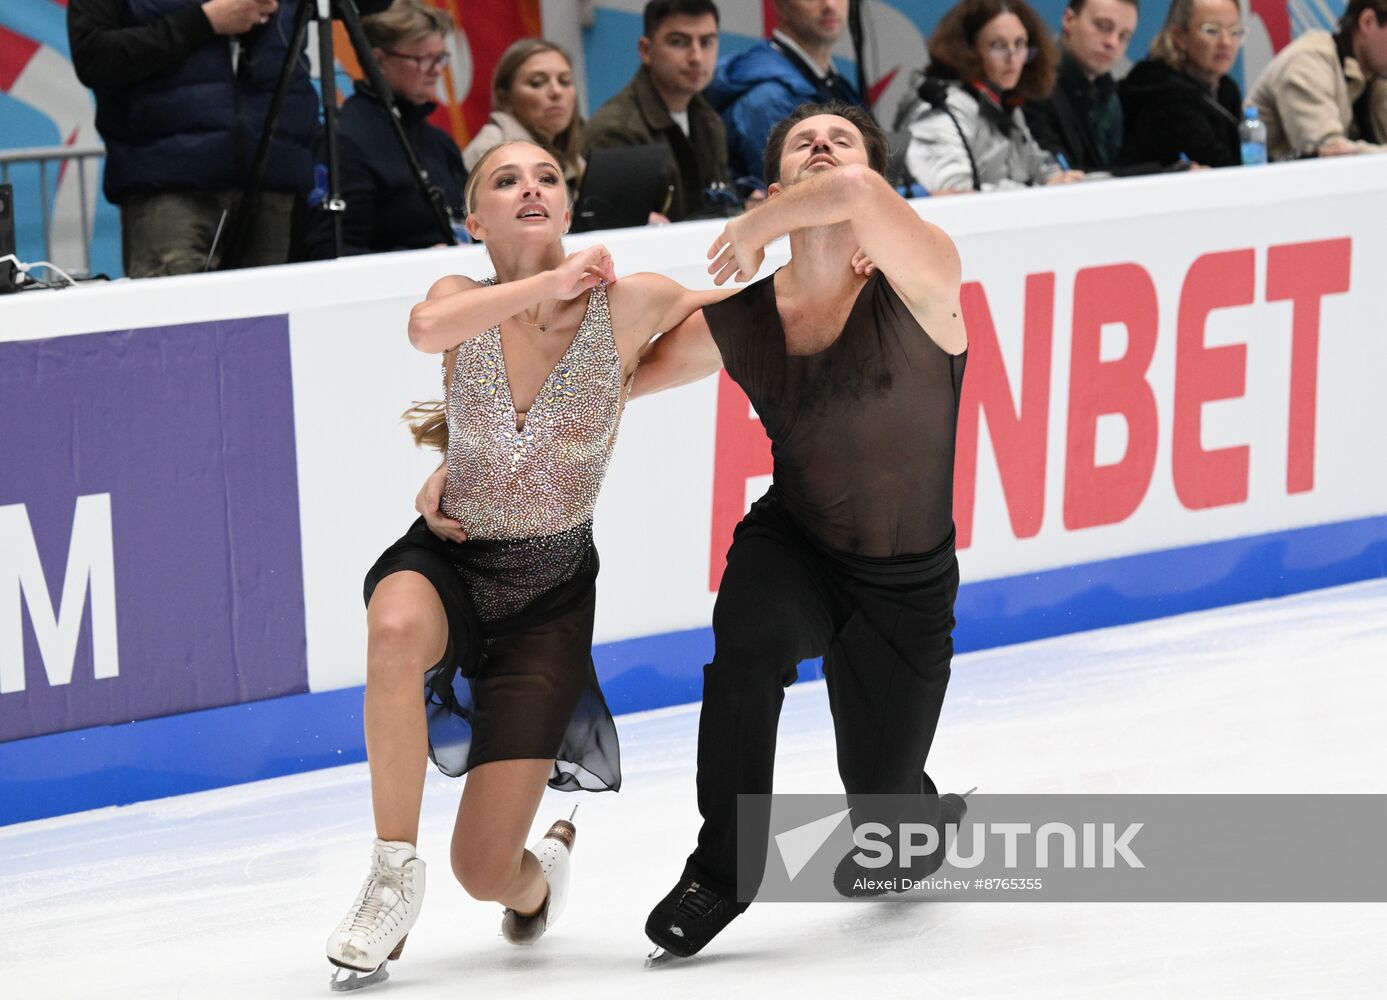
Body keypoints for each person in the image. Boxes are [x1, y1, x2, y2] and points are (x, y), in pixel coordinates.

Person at [323, 139, 732, 989]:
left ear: (569, 206)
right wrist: (550, 283)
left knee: (484, 872)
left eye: (546, 175)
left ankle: (542, 871)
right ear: (476, 219)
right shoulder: (457, 298)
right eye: (505, 180)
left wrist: (851, 262)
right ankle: (391, 875)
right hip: (449, 556)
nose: (530, 187)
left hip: (546, 593)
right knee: (393, 628)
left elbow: (747, 313)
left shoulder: (630, 302)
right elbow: (425, 330)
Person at [626, 101, 971, 962]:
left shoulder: (923, 274)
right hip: (797, 544)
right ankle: (724, 869)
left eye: (839, 138)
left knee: (885, 818)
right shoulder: (738, 317)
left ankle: (912, 820)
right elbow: (611, 391)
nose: (822, 149)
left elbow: (850, 190)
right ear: (774, 179)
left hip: (907, 581)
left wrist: (756, 223)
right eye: (801, 142)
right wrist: (473, 445)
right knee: (744, 654)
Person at [67, 0, 317, 277]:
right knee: (175, 314)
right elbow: (93, 56)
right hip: (170, 181)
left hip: (274, 174)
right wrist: (204, 22)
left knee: (272, 315)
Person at [304, 0, 467, 258]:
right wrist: (416, 258)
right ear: (377, 60)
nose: (437, 70)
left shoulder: (440, 142)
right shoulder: (346, 141)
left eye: (441, 58)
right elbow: (329, 250)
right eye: (425, 59)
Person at [899, 0, 1083, 191]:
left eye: (1020, 43)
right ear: (968, 50)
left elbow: (1036, 162)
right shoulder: (940, 107)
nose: (1013, 57)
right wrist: (1037, 191)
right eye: (998, 45)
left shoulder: (1004, 103)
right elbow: (953, 191)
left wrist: (1060, 179)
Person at [585, 0, 732, 223]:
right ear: (646, 50)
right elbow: (614, 238)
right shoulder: (615, 130)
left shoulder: (709, 120)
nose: (696, 57)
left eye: (706, 42)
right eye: (678, 42)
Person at [705, 0, 865, 186]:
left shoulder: (831, 82)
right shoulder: (768, 98)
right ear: (781, 6)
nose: (829, 5)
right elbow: (792, 191)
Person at [1246, 0, 1387, 160]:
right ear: (1367, 22)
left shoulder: (1377, 73)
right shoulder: (1306, 62)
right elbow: (1329, 153)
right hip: (1274, 182)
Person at [1118, 0, 1244, 168]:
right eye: (1211, 30)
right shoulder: (1164, 95)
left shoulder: (1226, 89)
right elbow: (1223, 168)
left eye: (1235, 31)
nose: (1226, 42)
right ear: (1180, 36)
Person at [1023, 0, 1140, 173]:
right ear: (1069, 19)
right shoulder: (1034, 84)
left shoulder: (1110, 94)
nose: (1113, 43)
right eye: (1103, 26)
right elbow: (1060, 176)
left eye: (1124, 37)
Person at [462, 40, 585, 195]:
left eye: (564, 81)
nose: (556, 92)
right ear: (504, 96)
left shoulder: (573, 161)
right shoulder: (488, 153)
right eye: (537, 83)